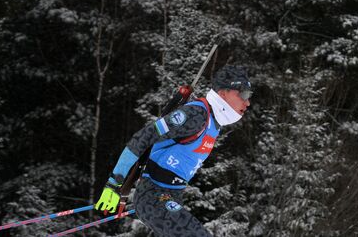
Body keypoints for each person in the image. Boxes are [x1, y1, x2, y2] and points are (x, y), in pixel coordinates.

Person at [94, 65, 253, 237]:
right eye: (243, 94)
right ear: (223, 92)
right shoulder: (196, 114)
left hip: (171, 196)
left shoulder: (214, 123)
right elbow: (143, 137)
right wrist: (114, 183)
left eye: (249, 96)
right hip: (153, 196)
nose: (248, 102)